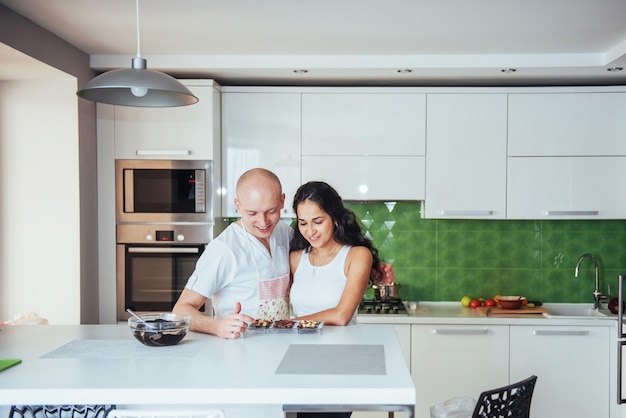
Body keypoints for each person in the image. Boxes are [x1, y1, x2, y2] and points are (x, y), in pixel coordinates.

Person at [173, 168, 291, 339]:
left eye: (271, 211)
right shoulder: (223, 249)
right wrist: (216, 326)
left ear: (282, 201)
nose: (263, 221)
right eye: (252, 213)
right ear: (238, 206)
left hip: (280, 344)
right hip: (240, 350)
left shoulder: (284, 233)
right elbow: (180, 311)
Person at [289, 181, 385, 326]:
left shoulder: (357, 256)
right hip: (299, 346)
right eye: (303, 223)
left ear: (335, 219)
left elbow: (341, 316)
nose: (310, 231)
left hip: (341, 347)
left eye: (318, 222)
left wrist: (287, 323)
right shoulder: (295, 258)